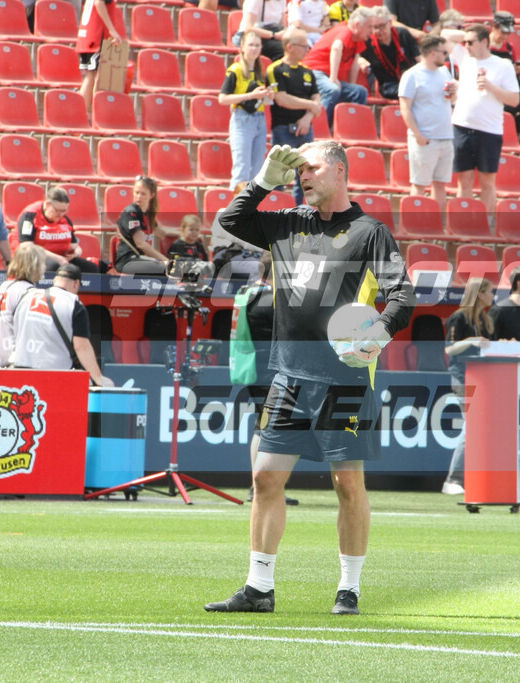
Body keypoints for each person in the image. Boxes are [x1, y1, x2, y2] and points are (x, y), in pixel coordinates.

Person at [206, 141, 414, 615]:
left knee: (347, 485)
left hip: (344, 379)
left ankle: (349, 588)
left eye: (313, 167)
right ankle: (259, 588)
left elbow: (402, 296)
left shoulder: (369, 232)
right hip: (289, 376)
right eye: (298, 169)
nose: (303, 175)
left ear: (340, 172)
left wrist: (380, 332)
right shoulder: (286, 223)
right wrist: (262, 182)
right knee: (265, 479)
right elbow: (230, 223)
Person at [236, 253, 301, 506]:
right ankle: (262, 487)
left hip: (258, 367)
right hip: (271, 370)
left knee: (263, 425)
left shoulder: (251, 294)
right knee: (268, 427)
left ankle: (261, 487)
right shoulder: (270, 299)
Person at [451, 24, 520, 213]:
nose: (466, 45)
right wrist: (466, 35)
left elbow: (514, 100)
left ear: (484, 42)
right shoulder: (465, 57)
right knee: (463, 181)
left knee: (487, 182)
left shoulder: (502, 64)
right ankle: (461, 223)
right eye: (464, 42)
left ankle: (486, 226)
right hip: (462, 126)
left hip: (489, 130)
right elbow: (443, 34)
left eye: (471, 42)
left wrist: (492, 87)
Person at [11, 263, 114, 386]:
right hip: (53, 375)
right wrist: (98, 378)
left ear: (55, 280)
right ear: (76, 284)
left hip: (19, 370)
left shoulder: (26, 296)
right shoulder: (74, 304)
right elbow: (81, 347)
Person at [441, 277, 495, 495]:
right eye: (490, 291)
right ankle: (453, 479)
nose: (493, 296)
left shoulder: (485, 319)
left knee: (478, 429)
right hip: (462, 378)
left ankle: (473, 477)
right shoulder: (459, 317)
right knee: (471, 427)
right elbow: (449, 349)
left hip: (482, 378)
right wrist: (471, 341)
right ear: (480, 294)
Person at [398, 34, 456, 207]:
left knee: (440, 184)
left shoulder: (444, 71)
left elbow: (450, 100)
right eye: (443, 52)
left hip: (445, 136)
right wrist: (418, 135)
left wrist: (453, 94)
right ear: (432, 53)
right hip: (425, 138)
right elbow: (405, 108)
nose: (445, 56)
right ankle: (415, 226)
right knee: (420, 184)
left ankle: (436, 226)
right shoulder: (412, 75)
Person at [267, 29, 324, 206]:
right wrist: (310, 106)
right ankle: (277, 208)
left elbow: (317, 100)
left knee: (306, 172)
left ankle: (301, 210)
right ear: (289, 47)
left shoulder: (307, 71)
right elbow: (281, 98)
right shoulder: (275, 69)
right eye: (303, 45)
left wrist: (308, 117)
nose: (307, 48)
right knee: (280, 171)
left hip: (306, 129)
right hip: (283, 128)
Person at [301, 6, 376, 130]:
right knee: (332, 89)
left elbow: (355, 61)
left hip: (327, 76)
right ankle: (320, 129)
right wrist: (334, 77)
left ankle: (350, 130)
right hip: (312, 71)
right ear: (357, 24)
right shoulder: (345, 30)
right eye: (369, 27)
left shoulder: (359, 39)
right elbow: (337, 47)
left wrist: (351, 84)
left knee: (359, 92)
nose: (372, 31)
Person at [220, 31, 274, 191]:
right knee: (241, 168)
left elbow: (262, 100)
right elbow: (223, 98)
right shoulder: (236, 69)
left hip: (259, 119)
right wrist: (251, 95)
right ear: (242, 47)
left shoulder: (259, 71)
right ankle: (235, 211)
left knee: (257, 169)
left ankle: (250, 211)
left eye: (257, 45)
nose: (254, 49)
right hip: (242, 119)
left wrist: (267, 95)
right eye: (251, 45)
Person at [14, 186, 103, 275]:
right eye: (58, 210)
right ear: (48, 204)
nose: (61, 214)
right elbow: (26, 246)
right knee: (55, 266)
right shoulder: (30, 216)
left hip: (62, 259)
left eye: (64, 211)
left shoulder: (65, 219)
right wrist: (57, 258)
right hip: (33, 258)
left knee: (91, 268)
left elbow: (75, 246)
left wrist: (75, 253)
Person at [0, 242, 47, 367]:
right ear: (35, 265)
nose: (45, 267)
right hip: (22, 361)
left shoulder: (3, 287)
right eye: (43, 263)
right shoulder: (29, 292)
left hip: (5, 356)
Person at [114, 176, 170, 276]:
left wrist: (183, 233)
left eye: (143, 194)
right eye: (136, 192)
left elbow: (161, 233)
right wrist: (165, 260)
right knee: (165, 269)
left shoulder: (147, 214)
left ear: (152, 195)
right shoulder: (131, 213)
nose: (139, 197)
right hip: (128, 261)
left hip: (141, 259)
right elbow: (140, 244)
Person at [76, 0, 125, 113]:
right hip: (97, 37)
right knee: (100, 78)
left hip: (88, 36)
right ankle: (97, 116)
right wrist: (112, 30)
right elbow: (99, 3)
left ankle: (80, 115)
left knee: (90, 78)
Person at [360, 6, 419, 100]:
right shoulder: (368, 42)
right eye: (375, 27)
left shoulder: (403, 34)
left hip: (411, 80)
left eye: (382, 26)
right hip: (389, 85)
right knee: (409, 92)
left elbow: (419, 59)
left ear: (390, 23)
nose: (378, 31)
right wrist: (360, 60)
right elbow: (356, 56)